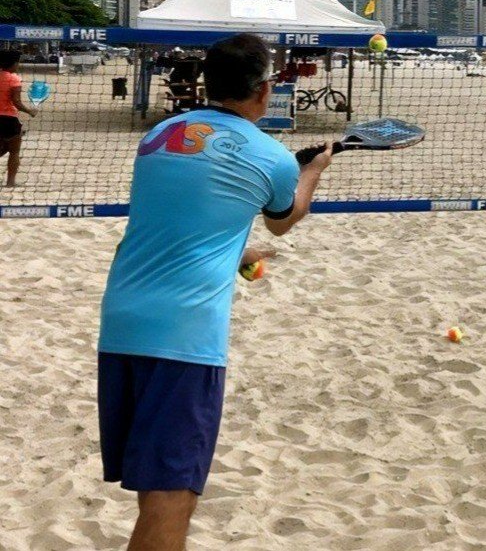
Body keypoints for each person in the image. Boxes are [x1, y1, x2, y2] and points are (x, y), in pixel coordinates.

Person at [97, 33, 332, 550]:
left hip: (120, 324)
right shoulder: (274, 158)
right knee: (172, 495)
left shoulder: (158, 135)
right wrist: (311, 173)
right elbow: (283, 221)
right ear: (265, 91)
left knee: (158, 491)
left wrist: (232, 256)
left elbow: (179, 221)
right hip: (184, 338)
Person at [0, 49, 38, 187]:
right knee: (14, 152)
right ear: (14, 63)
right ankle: (10, 182)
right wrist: (30, 111)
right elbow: (16, 101)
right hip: (9, 119)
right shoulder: (13, 78)